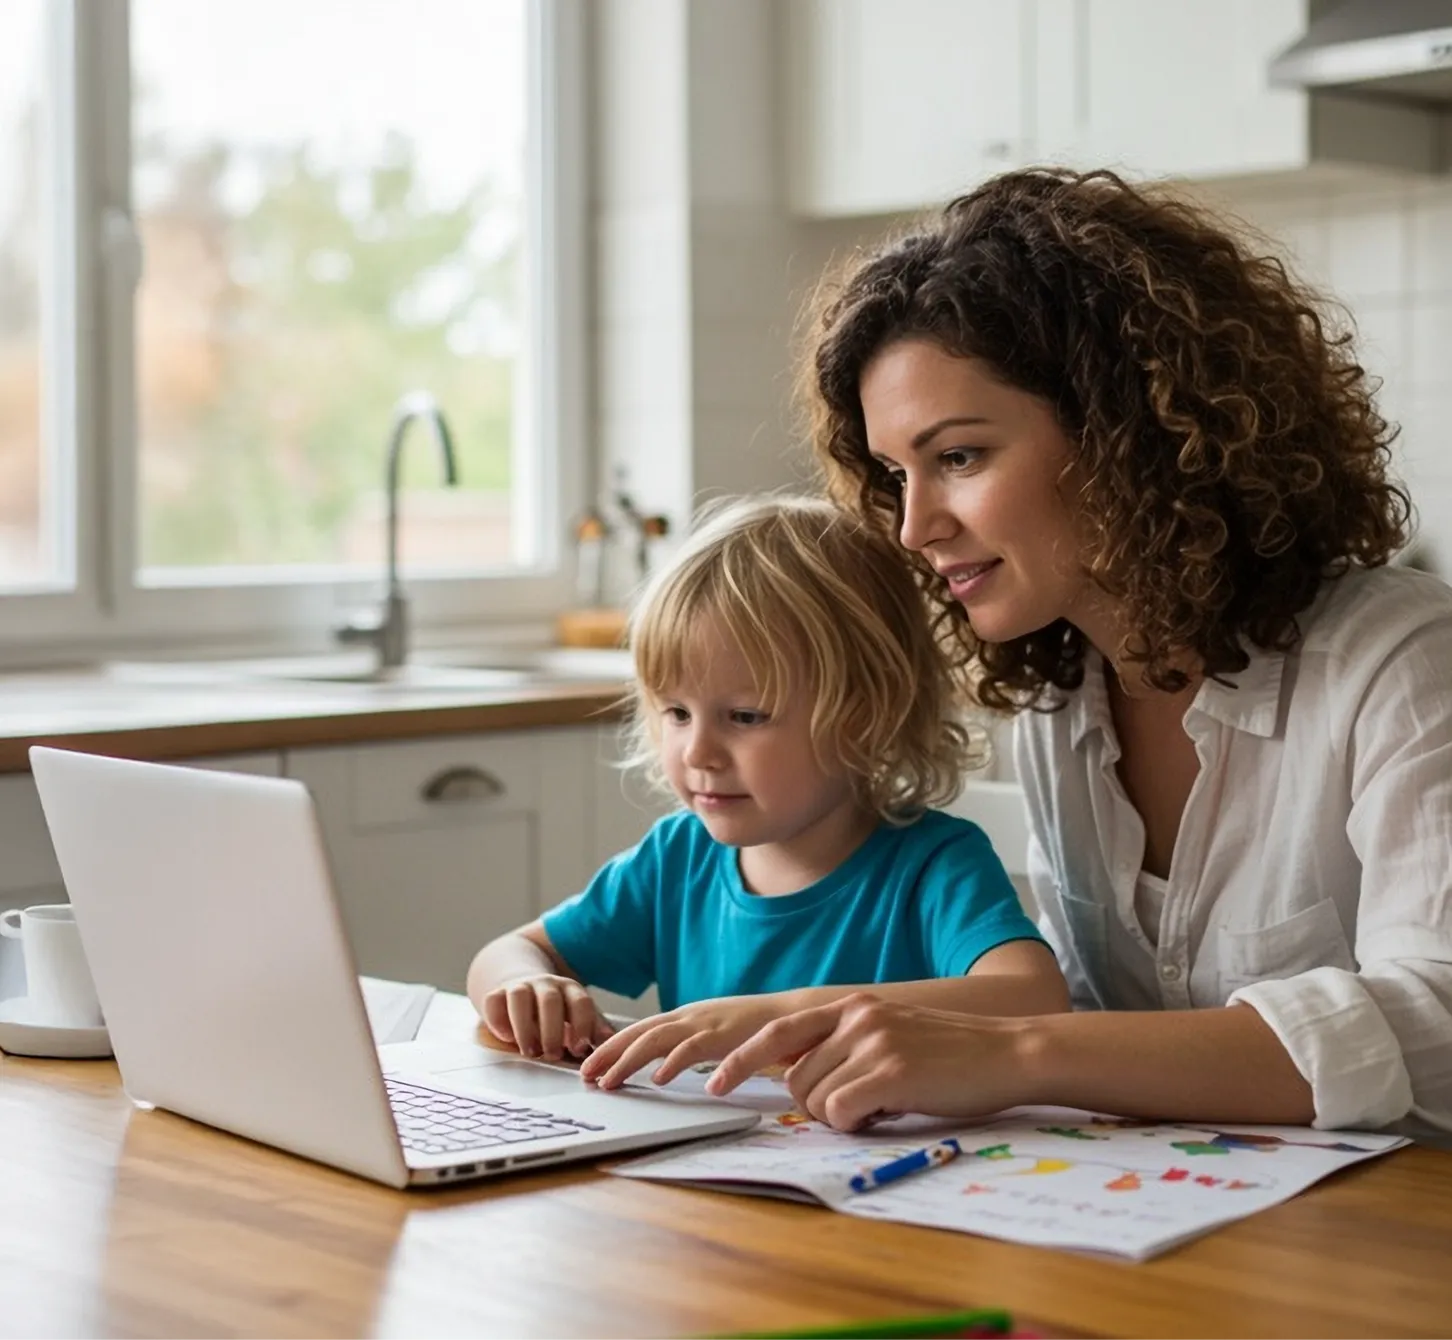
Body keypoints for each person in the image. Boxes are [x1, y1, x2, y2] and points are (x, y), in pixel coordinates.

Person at [701, 167, 1452, 1136]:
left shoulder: (1401, 660)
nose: (913, 525)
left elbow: (1439, 1017)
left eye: (959, 457)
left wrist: (1012, 1053)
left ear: (1129, 432)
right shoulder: (1061, 697)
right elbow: (1104, 1023)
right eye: (896, 473)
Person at [465, 495, 1069, 1082]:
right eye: (676, 713)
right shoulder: (677, 858)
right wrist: (529, 985)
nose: (698, 752)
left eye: (746, 717)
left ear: (867, 715)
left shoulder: (934, 866)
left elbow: (1033, 997)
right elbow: (505, 954)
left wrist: (779, 1016)